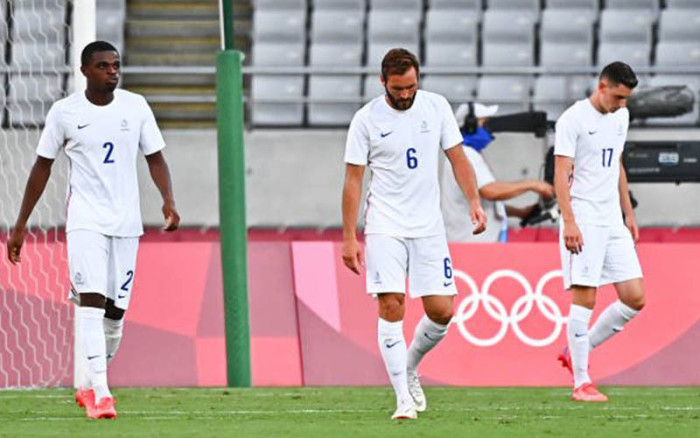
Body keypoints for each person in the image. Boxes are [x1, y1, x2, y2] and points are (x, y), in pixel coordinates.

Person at [6, 41, 180, 419]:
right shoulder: (65, 112)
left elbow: (155, 157)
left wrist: (167, 199)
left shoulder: (135, 107)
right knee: (91, 299)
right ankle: (101, 393)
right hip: (86, 219)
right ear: (85, 70)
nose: (112, 71)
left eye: (116, 65)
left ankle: (90, 382)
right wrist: (20, 225)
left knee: (115, 313)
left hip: (126, 222)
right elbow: (41, 168)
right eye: (103, 66)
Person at [342, 48, 487, 420]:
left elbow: (458, 158)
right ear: (382, 83)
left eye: (410, 86)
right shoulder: (366, 120)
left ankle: (409, 366)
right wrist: (348, 236)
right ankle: (402, 398)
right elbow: (353, 181)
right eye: (397, 88)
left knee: (442, 311)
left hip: (428, 226)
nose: (405, 95)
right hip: (385, 225)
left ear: (418, 79)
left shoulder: (436, 107)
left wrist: (474, 201)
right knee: (391, 305)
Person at [553, 62, 644, 402]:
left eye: (627, 98)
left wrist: (628, 211)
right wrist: (570, 220)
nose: (623, 104)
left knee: (635, 297)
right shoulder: (573, 120)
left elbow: (616, 163)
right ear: (602, 86)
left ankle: (577, 348)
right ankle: (581, 382)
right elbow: (560, 175)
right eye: (618, 96)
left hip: (611, 218)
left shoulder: (621, 116)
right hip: (585, 215)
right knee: (585, 298)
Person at [441, 102, 555, 242]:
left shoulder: (468, 154)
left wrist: (520, 212)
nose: (490, 129)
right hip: (473, 243)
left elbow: (484, 204)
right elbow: (489, 191)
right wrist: (533, 184)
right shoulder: (466, 155)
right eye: (486, 123)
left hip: (473, 241)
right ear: (471, 126)